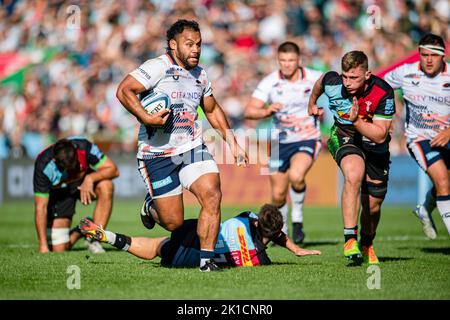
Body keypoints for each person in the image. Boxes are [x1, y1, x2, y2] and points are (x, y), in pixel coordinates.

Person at [116, 19, 248, 272]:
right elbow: (124, 90)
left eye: (198, 44)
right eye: (190, 44)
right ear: (173, 45)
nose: (196, 49)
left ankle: (206, 261)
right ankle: (150, 206)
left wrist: (233, 143)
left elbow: (211, 108)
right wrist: (145, 117)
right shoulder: (157, 67)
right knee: (173, 222)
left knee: (212, 193)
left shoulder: (200, 75)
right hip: (157, 155)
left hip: (191, 148)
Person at [308, 51, 395, 264]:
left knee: (373, 206)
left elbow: (380, 134)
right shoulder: (332, 82)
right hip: (344, 136)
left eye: (354, 78)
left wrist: (356, 121)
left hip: (375, 145)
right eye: (345, 76)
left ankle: (367, 243)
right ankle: (349, 238)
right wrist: (311, 103)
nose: (347, 83)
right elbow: (319, 83)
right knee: (354, 174)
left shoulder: (383, 92)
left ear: (367, 74)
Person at [78, 204, 321, 270]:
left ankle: (150, 209)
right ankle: (108, 236)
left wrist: (292, 246)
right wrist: (295, 249)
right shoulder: (258, 259)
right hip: (191, 259)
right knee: (156, 248)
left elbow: (269, 227)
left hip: (198, 233)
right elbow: (273, 235)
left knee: (169, 225)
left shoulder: (247, 218)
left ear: (258, 221)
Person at [244, 41, 323, 244]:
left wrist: (324, 111)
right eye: (283, 61)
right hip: (280, 143)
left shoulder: (314, 77)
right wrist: (266, 111)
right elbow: (249, 111)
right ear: (278, 61)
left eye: (291, 60)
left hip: (307, 137)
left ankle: (297, 219)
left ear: (299, 60)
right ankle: (285, 229)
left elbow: (336, 95)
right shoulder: (270, 82)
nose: (287, 65)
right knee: (278, 194)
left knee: (296, 176)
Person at [384, 33, 450, 239]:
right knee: (443, 182)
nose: (428, 60)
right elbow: (378, 87)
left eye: (434, 55)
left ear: (443, 56)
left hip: (447, 137)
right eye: (424, 54)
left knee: (446, 181)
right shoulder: (405, 73)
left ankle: (424, 210)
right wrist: (382, 118)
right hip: (419, 139)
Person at [33, 137, 120, 253]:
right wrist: (42, 245)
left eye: (73, 164)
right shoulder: (43, 165)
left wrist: (90, 178)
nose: (71, 169)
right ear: (55, 160)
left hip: (83, 184)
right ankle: (82, 230)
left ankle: (94, 239)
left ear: (75, 150)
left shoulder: (84, 147)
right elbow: (41, 207)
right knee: (59, 249)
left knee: (106, 185)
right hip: (60, 195)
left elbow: (114, 170)